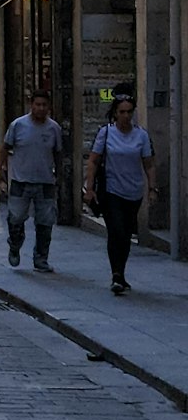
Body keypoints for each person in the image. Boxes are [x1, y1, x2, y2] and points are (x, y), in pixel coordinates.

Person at [84, 94, 157, 295]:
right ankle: (116, 274)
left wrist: (152, 188)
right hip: (111, 190)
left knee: (125, 234)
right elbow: (93, 161)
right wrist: (89, 188)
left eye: (129, 112)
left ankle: (121, 272)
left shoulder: (141, 135)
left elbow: (149, 164)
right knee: (115, 230)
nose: (126, 116)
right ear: (115, 114)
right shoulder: (106, 133)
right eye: (122, 112)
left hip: (133, 192)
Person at [0, 89, 63, 273]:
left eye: (44, 105)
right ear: (31, 105)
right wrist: (0, 174)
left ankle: (41, 258)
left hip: (45, 182)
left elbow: (58, 154)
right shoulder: (18, 125)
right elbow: (5, 148)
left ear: (48, 107)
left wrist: (58, 176)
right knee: (16, 217)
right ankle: (15, 243)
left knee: (45, 222)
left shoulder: (54, 129)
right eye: (38, 105)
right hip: (20, 181)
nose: (41, 108)